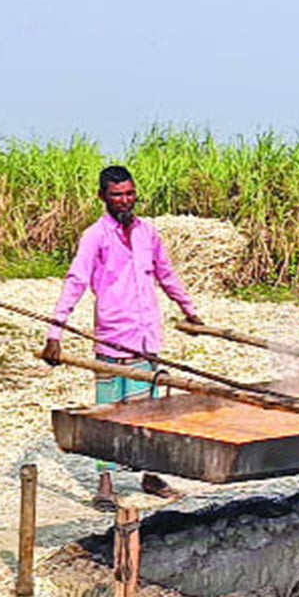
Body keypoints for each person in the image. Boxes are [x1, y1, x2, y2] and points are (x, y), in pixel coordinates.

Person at [41, 165, 202, 510]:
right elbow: (76, 282)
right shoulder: (95, 236)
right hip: (113, 339)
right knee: (110, 413)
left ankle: (151, 474)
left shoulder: (148, 233)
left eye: (129, 194)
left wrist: (189, 310)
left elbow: (166, 273)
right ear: (103, 197)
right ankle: (106, 484)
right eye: (117, 195)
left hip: (147, 338)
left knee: (148, 411)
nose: (125, 201)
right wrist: (55, 333)